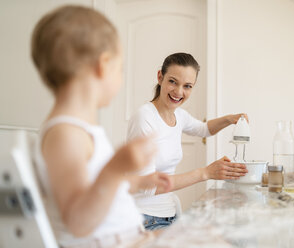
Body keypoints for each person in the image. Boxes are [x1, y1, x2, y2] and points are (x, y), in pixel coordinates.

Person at [31, 5, 171, 248]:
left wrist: (139, 182)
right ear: (103, 64)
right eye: (120, 68)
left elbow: (96, 185)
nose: (120, 77)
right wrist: (115, 168)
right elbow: (78, 221)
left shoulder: (81, 129)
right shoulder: (65, 135)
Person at [127, 52, 249, 230]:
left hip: (169, 215)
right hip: (143, 220)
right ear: (160, 77)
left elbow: (204, 129)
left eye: (187, 86)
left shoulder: (179, 115)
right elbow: (147, 187)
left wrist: (230, 119)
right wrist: (205, 173)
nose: (178, 92)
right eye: (172, 81)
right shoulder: (144, 118)